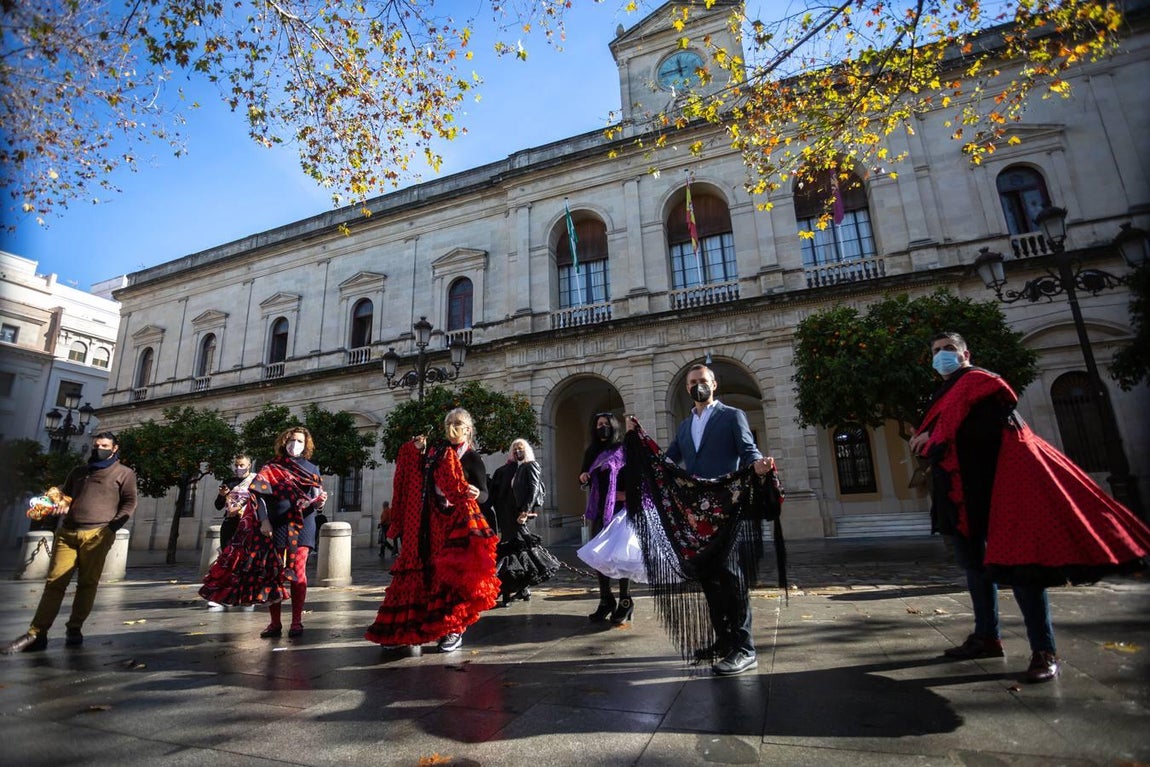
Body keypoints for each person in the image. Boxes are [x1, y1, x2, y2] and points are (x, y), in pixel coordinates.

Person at [910, 331, 1150, 683]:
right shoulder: (944, 392)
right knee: (974, 568)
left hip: (1000, 488)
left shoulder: (980, 382)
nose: (941, 355)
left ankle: (1043, 649)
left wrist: (935, 439)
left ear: (965, 353)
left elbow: (992, 428)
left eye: (948, 349)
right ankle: (987, 636)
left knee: (1023, 569)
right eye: (935, 351)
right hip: (961, 493)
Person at [662, 364, 775, 676]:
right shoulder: (684, 426)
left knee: (732, 575)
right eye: (693, 382)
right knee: (709, 576)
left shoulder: (731, 415)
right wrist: (639, 444)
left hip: (728, 507)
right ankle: (723, 640)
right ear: (687, 389)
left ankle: (745, 648)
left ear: (714, 384)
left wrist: (759, 465)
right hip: (699, 514)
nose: (698, 386)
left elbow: (748, 449)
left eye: (703, 381)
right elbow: (668, 461)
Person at [364, 408, 500, 654]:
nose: (452, 427)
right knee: (428, 574)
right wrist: (416, 451)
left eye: (457, 423)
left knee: (452, 577)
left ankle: (453, 629)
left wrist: (477, 494)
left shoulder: (471, 458)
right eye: (449, 422)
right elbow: (418, 474)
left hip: (458, 524)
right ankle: (414, 628)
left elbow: (486, 493)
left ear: (468, 428)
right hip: (431, 523)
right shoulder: (436, 453)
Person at [3, 432, 137, 654]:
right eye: (96, 445)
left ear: (115, 449)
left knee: (87, 583)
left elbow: (130, 502)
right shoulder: (79, 472)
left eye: (104, 445)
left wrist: (111, 528)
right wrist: (57, 504)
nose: (98, 448)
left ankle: (74, 629)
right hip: (68, 532)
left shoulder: (124, 473)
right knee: (55, 582)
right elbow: (65, 497)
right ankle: (37, 633)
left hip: (97, 533)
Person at [579, 412, 635, 625]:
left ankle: (625, 601)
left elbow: (635, 475)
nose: (601, 427)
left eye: (605, 424)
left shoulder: (623, 449)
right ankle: (606, 600)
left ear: (613, 426)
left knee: (620, 557)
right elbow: (583, 475)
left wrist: (628, 494)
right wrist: (583, 476)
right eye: (598, 424)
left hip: (620, 508)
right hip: (600, 509)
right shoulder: (592, 451)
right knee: (599, 557)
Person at [489, 438, 559, 607]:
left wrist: (525, 511)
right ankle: (521, 588)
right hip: (506, 515)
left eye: (520, 449)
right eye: (515, 450)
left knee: (520, 551)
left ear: (526, 450)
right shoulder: (507, 469)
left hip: (520, 514)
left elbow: (534, 489)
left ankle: (511, 590)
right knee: (515, 551)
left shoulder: (530, 466)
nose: (518, 452)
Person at [206, 454, 257, 611]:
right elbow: (218, 505)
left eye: (242, 465)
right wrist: (222, 496)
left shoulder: (255, 481)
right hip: (229, 524)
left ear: (249, 465)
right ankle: (221, 596)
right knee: (226, 560)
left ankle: (246, 596)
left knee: (246, 561)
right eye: (236, 465)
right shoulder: (229, 482)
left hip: (247, 525)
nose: (238, 468)